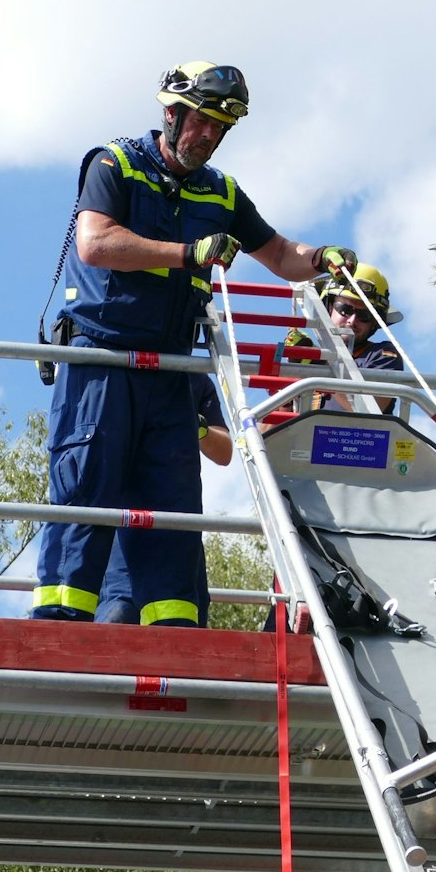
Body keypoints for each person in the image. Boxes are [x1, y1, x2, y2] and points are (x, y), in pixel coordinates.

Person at [33, 60, 359, 627]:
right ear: (172, 112)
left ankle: (177, 633)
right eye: (202, 121)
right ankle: (58, 631)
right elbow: (96, 243)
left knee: (174, 510)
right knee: (85, 495)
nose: (209, 136)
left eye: (221, 128)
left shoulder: (222, 192)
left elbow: (282, 254)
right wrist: (187, 254)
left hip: (174, 373)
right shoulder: (115, 164)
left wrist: (322, 259)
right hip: (101, 364)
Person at [96, 375, 232, 627]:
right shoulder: (117, 372)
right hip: (125, 524)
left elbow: (224, 452)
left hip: (177, 522)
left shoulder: (195, 379)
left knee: (179, 620)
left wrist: (197, 426)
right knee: (120, 612)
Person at [287, 262, 406, 413]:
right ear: (329, 306)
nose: (352, 320)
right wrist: (288, 387)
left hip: (356, 436)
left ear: (375, 322)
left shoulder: (383, 355)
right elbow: (270, 430)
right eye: (345, 309)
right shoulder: (309, 365)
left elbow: (371, 408)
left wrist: (320, 365)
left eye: (364, 316)